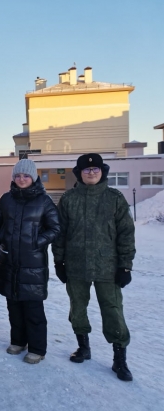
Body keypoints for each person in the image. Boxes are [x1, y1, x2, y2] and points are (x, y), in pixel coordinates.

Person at [52, 153, 135, 381]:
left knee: (113, 311)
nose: (91, 172)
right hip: (76, 266)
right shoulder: (69, 199)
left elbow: (126, 234)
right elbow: (60, 234)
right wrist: (59, 261)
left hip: (108, 267)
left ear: (102, 171)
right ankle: (83, 347)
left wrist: (125, 266)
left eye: (96, 169)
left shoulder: (115, 198)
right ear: (79, 173)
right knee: (77, 308)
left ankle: (120, 359)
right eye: (86, 170)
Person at [0, 159, 60, 364]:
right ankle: (18, 341)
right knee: (13, 305)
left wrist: (36, 243)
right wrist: (2, 239)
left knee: (33, 308)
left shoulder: (44, 201)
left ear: (33, 177)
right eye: (18, 175)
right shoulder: (6, 199)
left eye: (26, 176)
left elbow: (55, 228)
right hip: (9, 260)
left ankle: (37, 348)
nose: (21, 179)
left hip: (33, 263)